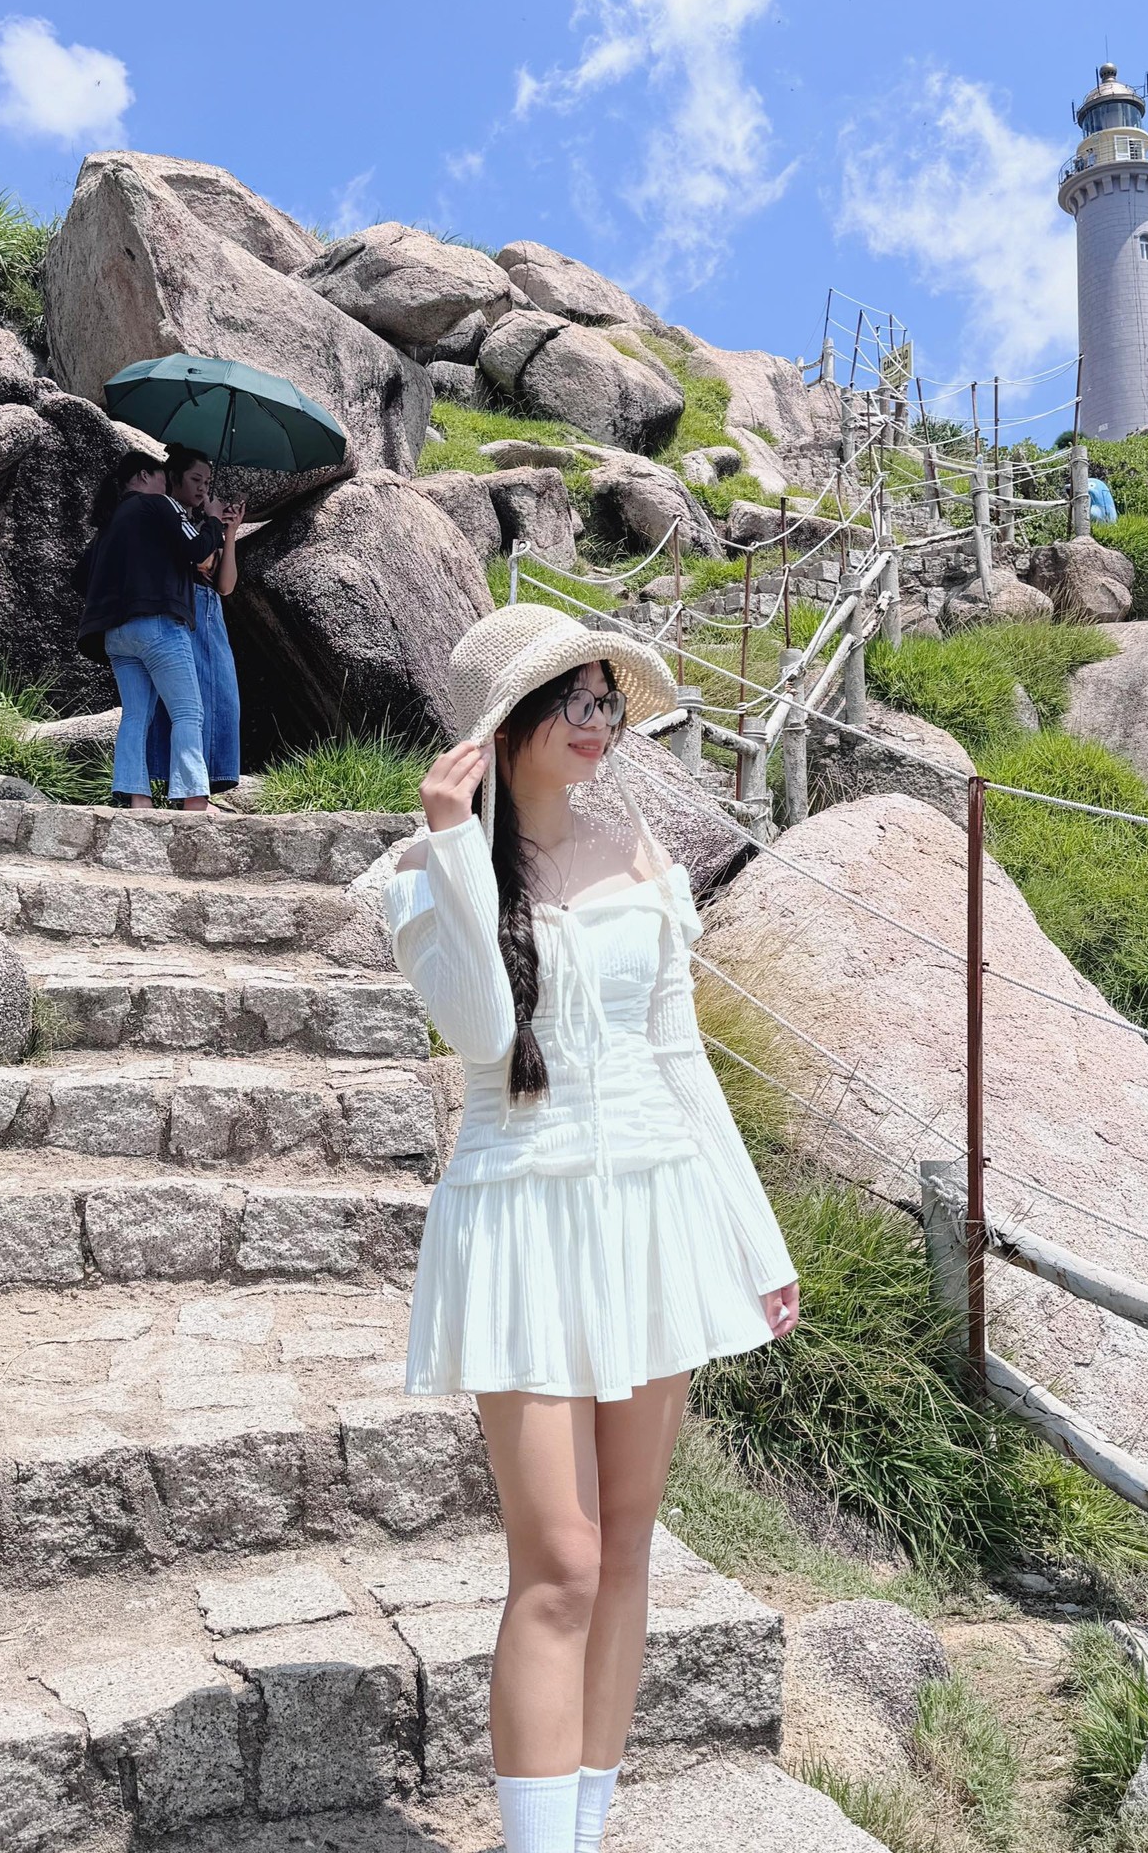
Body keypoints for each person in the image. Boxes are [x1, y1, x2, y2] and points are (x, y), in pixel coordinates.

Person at [383, 605, 801, 1853]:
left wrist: (757, 1241)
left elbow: (680, 1057)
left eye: (606, 698)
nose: (595, 720)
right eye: (568, 698)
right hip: (520, 1216)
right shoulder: (428, 872)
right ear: (501, 722)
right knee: (557, 1560)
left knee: (625, 1546)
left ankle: (584, 1826)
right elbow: (477, 1029)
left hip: (652, 1210)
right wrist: (451, 845)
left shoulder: (640, 855)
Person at [71, 452, 217, 811]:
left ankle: (138, 799)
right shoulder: (159, 505)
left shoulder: (109, 523)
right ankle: (193, 800)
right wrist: (213, 520)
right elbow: (197, 548)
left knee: (136, 715)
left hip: (116, 635)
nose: (166, 483)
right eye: (161, 476)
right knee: (187, 712)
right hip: (158, 626)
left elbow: (79, 577)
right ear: (143, 476)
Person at [146, 445, 245, 799]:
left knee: (222, 698)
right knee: (185, 703)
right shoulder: (169, 517)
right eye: (195, 479)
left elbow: (225, 585)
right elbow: (193, 559)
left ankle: (208, 783)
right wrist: (213, 523)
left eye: (207, 481)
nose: (203, 487)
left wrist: (229, 533)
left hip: (210, 614)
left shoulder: (205, 526)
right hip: (181, 612)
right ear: (174, 479)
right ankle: (183, 789)